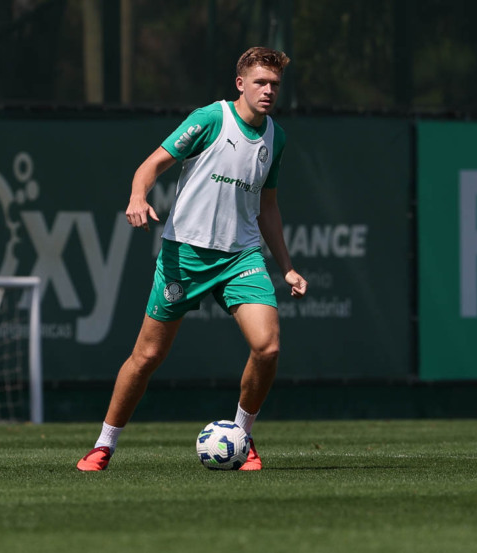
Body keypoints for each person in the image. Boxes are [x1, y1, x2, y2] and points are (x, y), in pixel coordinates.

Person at [77, 46, 306, 472]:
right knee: (147, 356)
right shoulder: (211, 119)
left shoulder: (276, 137)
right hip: (185, 254)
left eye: (275, 84)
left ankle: (242, 436)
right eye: (260, 82)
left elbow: (268, 207)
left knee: (268, 347)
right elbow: (152, 164)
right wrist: (137, 196)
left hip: (241, 256)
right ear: (240, 83)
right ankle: (103, 446)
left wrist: (287, 266)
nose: (268, 91)